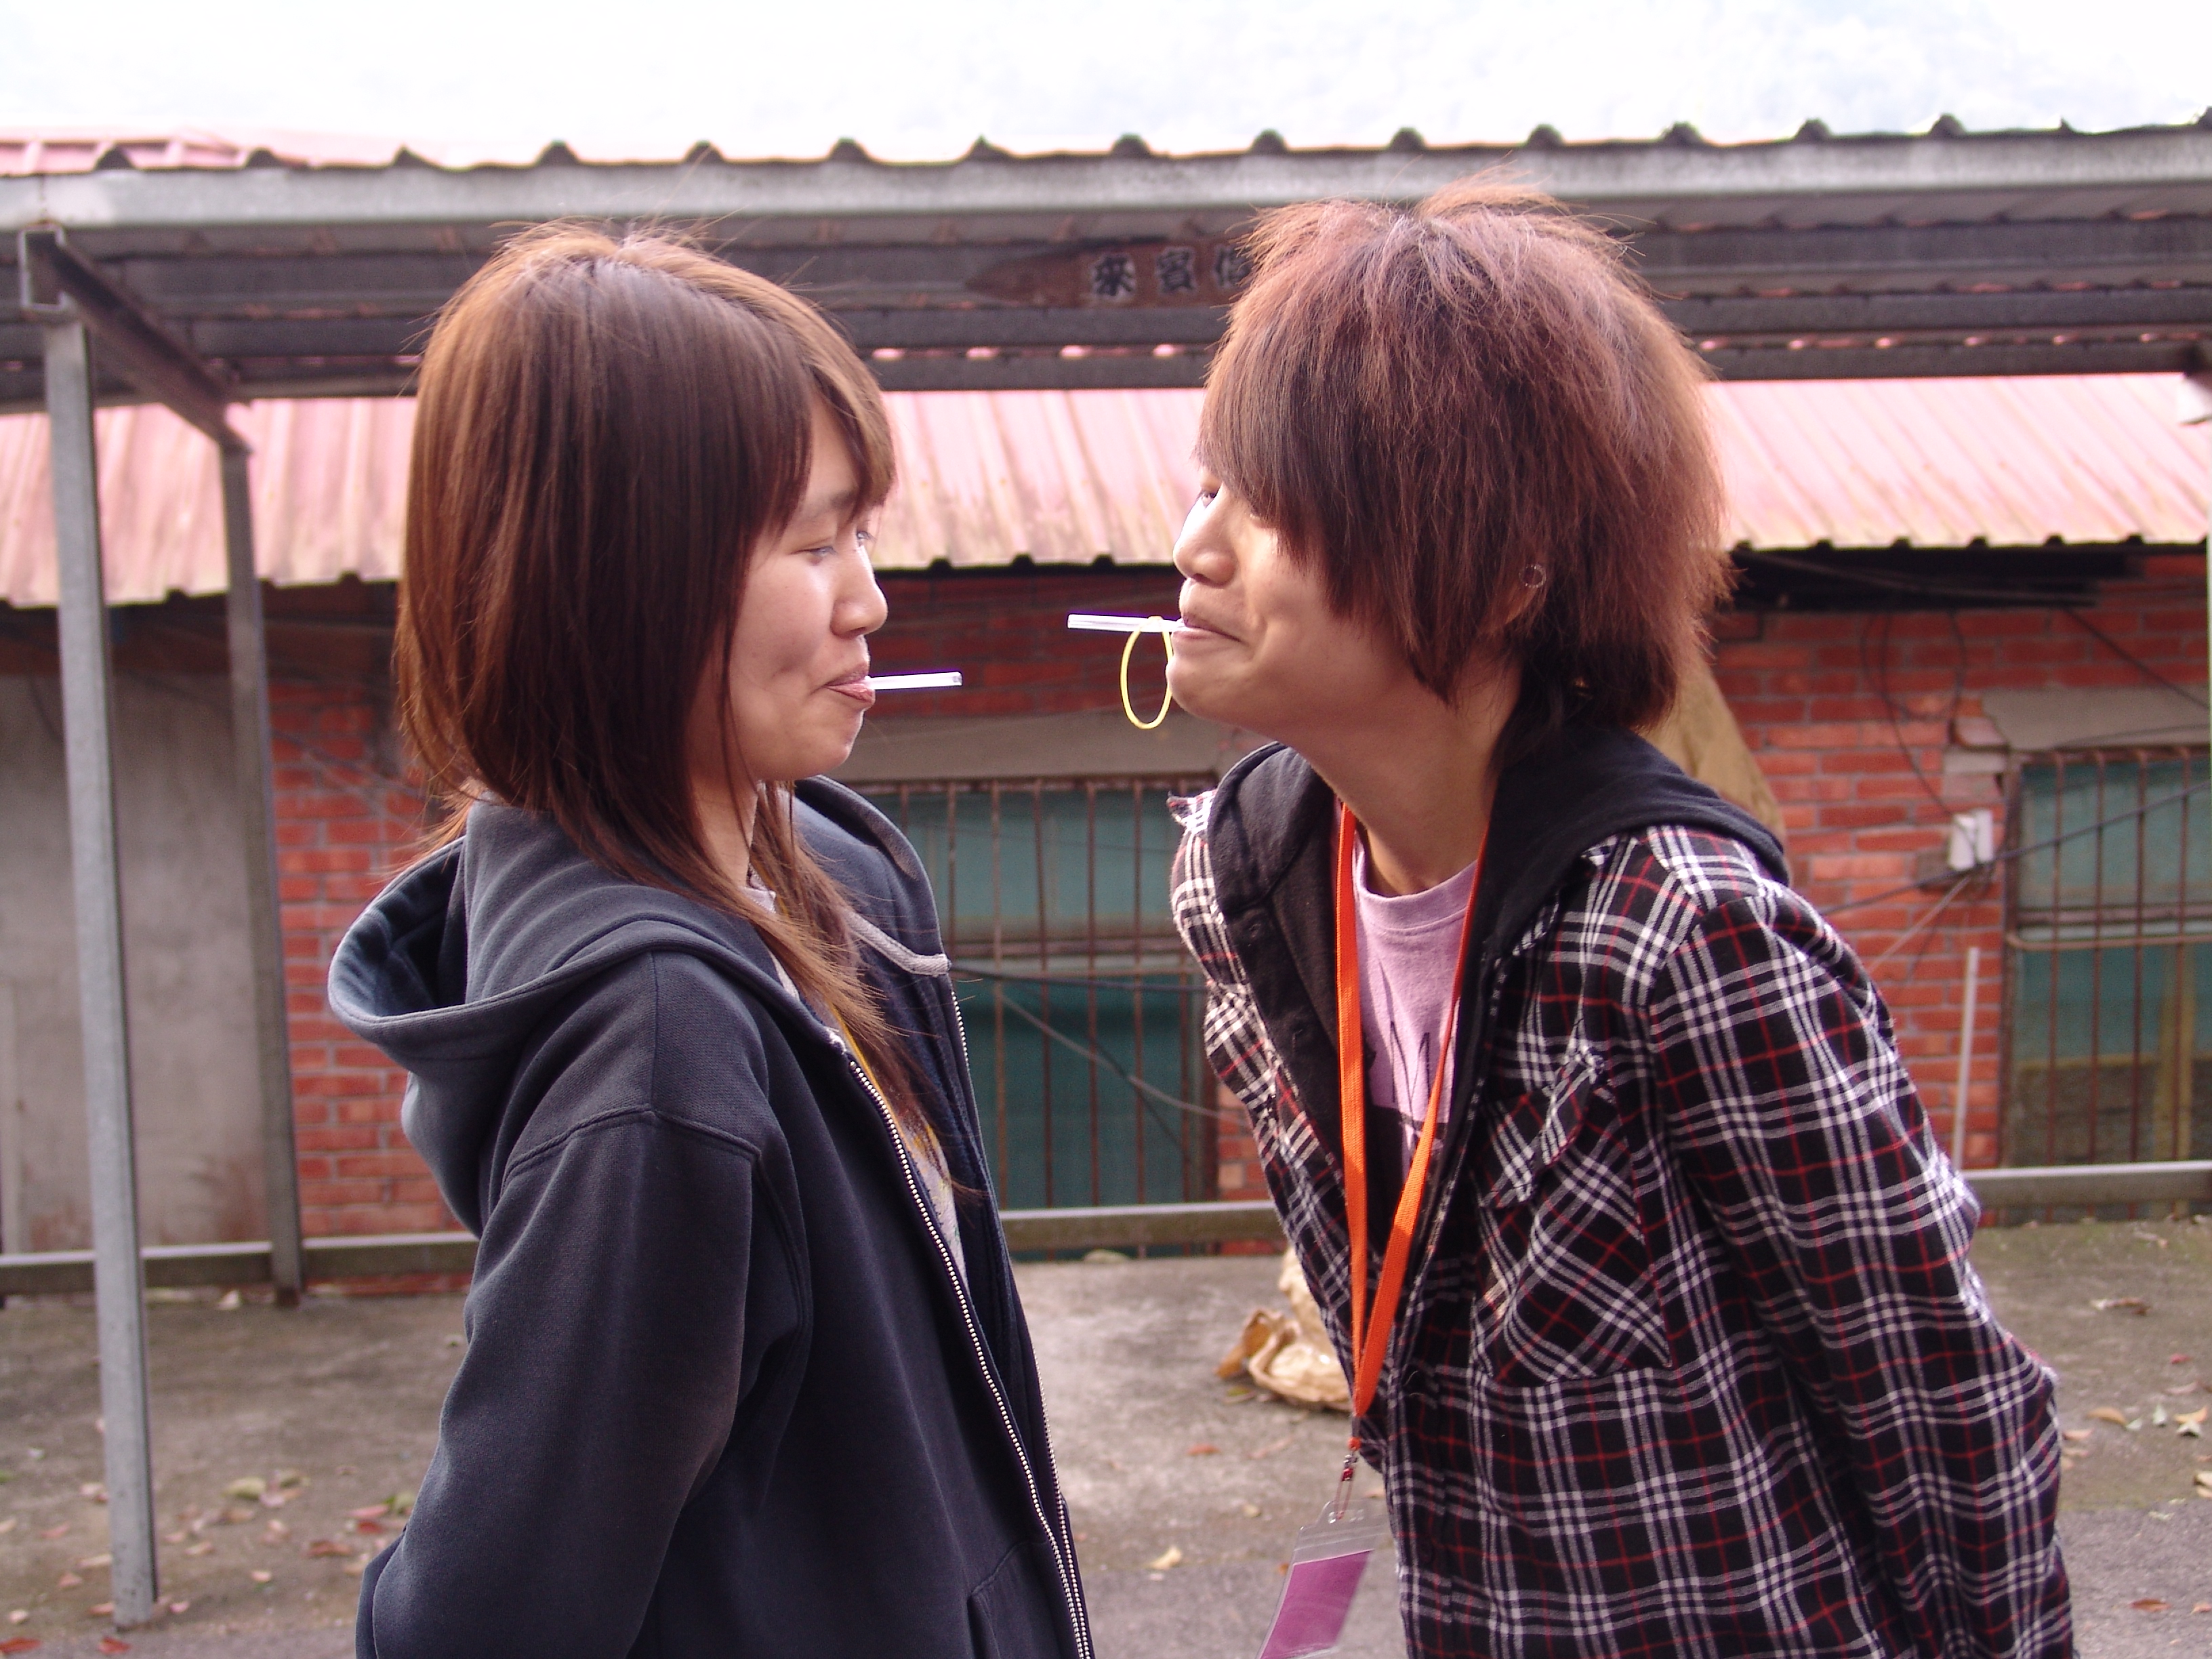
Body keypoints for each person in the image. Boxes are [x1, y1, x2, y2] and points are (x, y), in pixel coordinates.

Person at [1165, 182, 2068, 1658]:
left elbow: (1938, 1401)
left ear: (1503, 573)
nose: (1197, 546)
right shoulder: (1240, 882)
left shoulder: (1681, 933)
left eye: (1268, 505)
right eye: (1206, 485)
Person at [328, 226, 1091, 1659]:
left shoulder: (825, 873)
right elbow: (486, 1620)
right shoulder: (659, 1048)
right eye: (814, 542)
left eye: (863, 533)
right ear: (619, 581)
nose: (870, 597)